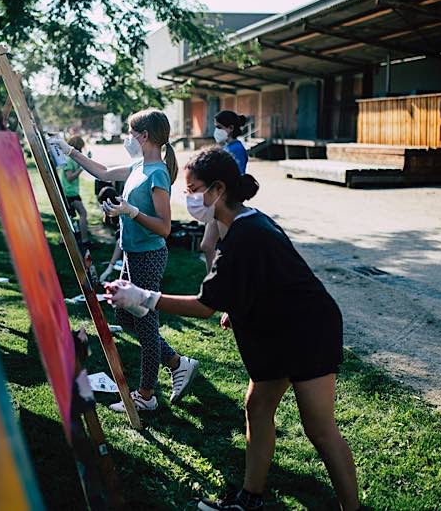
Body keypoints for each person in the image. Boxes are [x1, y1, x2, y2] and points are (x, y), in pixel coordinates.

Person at [105, 146, 361, 511]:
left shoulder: (244, 236)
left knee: (318, 428)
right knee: (257, 407)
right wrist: (238, 306)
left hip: (308, 331)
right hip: (280, 328)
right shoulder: (243, 224)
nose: (189, 197)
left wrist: (142, 296)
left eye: (193, 189)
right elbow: (263, 280)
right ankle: (249, 499)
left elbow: (204, 306)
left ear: (218, 190)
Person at [47, 109, 199, 413]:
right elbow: (102, 172)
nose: (128, 137)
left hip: (148, 256)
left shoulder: (156, 173)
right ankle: (176, 362)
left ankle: (146, 394)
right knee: (126, 318)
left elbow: (165, 227)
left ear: (144, 136)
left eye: (131, 133)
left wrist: (131, 212)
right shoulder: (140, 165)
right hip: (133, 253)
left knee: (144, 322)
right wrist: (69, 151)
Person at [201, 110, 250, 270]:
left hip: (226, 205)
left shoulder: (236, 150)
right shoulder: (227, 147)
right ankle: (212, 282)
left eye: (219, 127)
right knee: (207, 246)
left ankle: (223, 284)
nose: (216, 130)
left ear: (230, 128)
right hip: (217, 203)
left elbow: (234, 180)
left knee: (226, 249)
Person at [61, 135, 96, 249]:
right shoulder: (69, 160)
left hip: (71, 191)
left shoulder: (72, 158)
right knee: (83, 213)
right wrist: (81, 168)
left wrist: (86, 161)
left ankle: (63, 241)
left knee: (69, 216)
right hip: (70, 192)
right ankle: (85, 240)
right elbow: (70, 177)